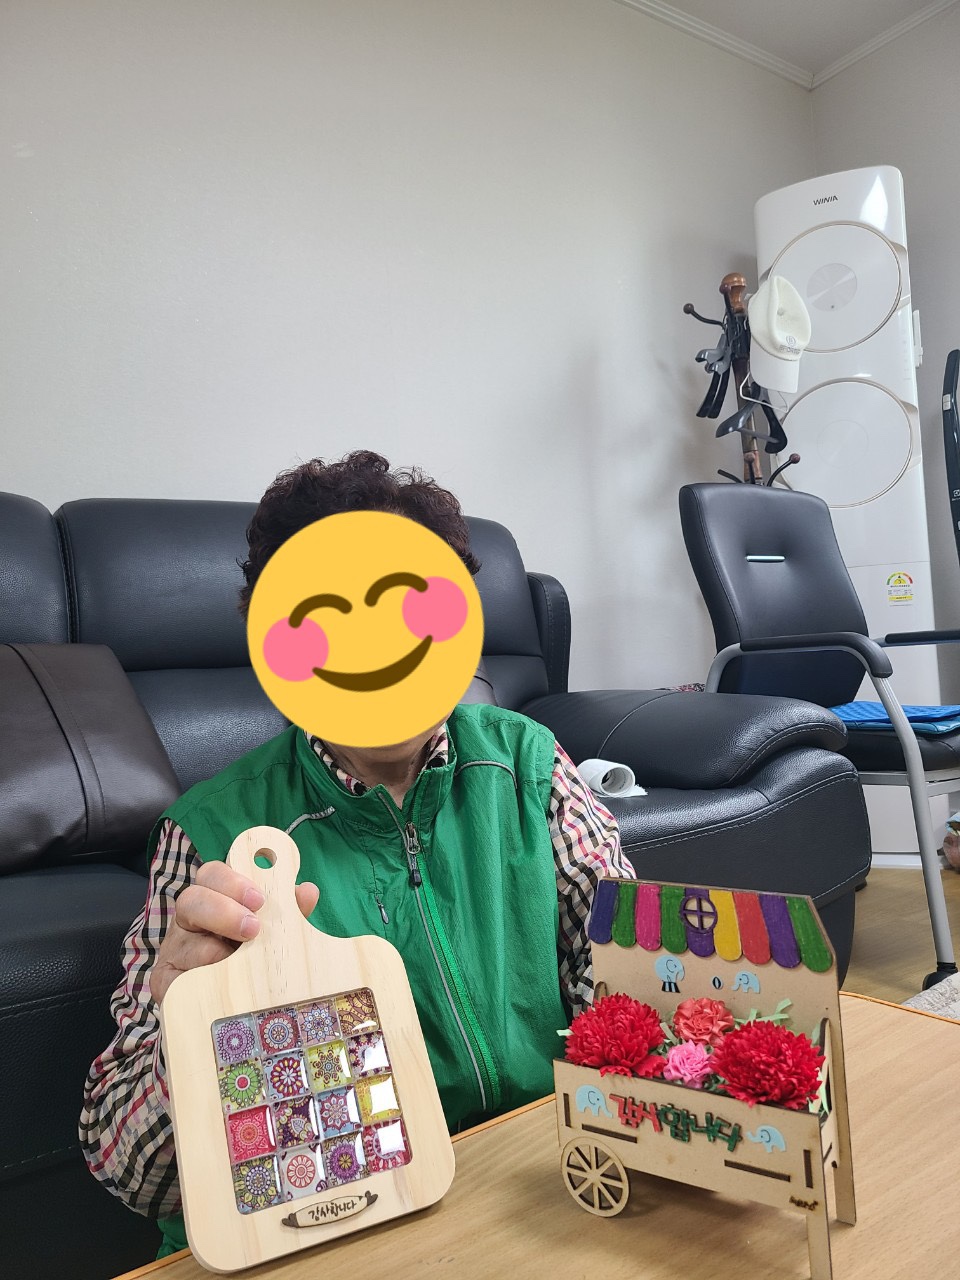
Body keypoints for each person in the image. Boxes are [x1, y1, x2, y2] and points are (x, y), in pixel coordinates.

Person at [80, 450, 634, 1256]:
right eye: (328, 615)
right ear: (277, 643)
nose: (373, 642)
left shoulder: (530, 764)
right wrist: (187, 1029)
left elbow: (627, 986)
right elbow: (132, 1173)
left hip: (532, 1191)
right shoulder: (211, 837)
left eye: (404, 604)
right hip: (327, 1231)